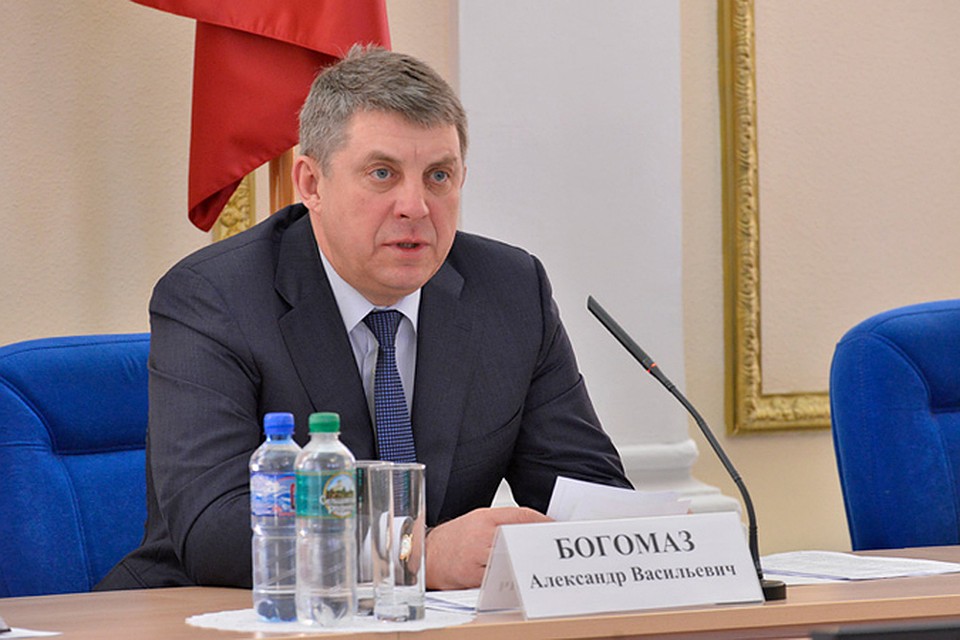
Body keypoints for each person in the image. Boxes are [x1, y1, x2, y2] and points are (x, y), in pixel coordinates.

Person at [97, 45, 630, 593]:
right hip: (217, 611)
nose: (415, 206)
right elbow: (216, 529)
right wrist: (414, 554)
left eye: (439, 176)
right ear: (311, 184)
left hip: (433, 623)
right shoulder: (216, 298)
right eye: (382, 173)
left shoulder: (510, 290)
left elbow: (586, 489)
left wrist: (648, 547)